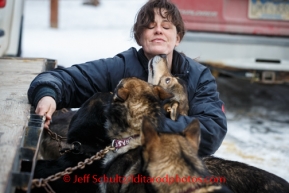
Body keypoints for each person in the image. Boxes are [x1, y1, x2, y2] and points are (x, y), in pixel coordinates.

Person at [27, 0, 227, 157]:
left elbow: (212, 131)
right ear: (139, 37)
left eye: (166, 26)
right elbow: (62, 79)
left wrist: (149, 127)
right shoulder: (121, 67)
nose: (158, 30)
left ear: (178, 38)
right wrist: (48, 95)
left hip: (171, 164)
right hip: (121, 165)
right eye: (150, 26)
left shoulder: (197, 76)